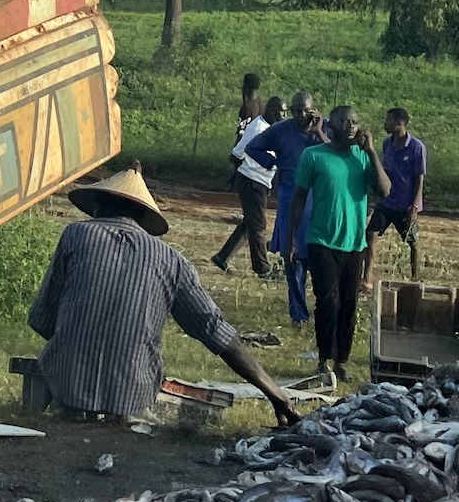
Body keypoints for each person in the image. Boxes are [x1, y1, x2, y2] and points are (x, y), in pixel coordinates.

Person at [31, 163, 299, 427]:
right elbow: (214, 331)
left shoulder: (75, 235)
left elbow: (41, 319)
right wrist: (274, 392)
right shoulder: (170, 260)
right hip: (132, 395)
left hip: (66, 387)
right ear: (142, 216)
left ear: (99, 206)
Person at [292, 105, 390, 386]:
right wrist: (290, 240)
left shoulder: (362, 157)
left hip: (354, 244)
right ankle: (324, 360)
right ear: (331, 125)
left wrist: (371, 152)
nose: (350, 126)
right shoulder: (313, 156)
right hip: (321, 241)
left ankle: (342, 362)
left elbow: (385, 190)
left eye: (355, 122)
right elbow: (298, 199)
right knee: (329, 301)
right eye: (344, 121)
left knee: (349, 304)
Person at [246, 93, 321, 324]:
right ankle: (298, 314)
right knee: (293, 257)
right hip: (290, 195)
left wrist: (319, 132)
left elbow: (341, 151)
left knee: (319, 257)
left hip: (317, 197)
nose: (301, 115)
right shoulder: (280, 130)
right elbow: (253, 147)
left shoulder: (324, 128)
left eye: (305, 110)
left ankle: (323, 313)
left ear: (313, 109)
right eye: (297, 110)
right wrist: (273, 163)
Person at [213, 95, 282, 278]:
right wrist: (235, 176)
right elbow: (237, 153)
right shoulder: (258, 128)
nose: (282, 117)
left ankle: (222, 257)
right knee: (258, 225)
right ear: (270, 110)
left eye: (284, 113)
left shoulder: (272, 128)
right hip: (252, 180)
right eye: (279, 112)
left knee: (249, 224)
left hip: (260, 181)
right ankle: (262, 269)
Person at [366, 106, 427, 283]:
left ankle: (415, 279)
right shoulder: (387, 144)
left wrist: (414, 208)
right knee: (370, 235)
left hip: (406, 205)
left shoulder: (417, 147)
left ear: (399, 123)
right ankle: (367, 277)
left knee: (413, 242)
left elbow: (419, 179)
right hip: (387, 202)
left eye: (388, 121)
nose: (385, 124)